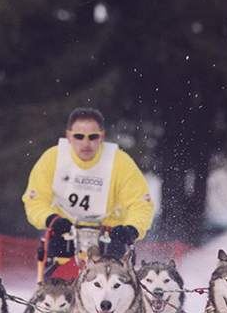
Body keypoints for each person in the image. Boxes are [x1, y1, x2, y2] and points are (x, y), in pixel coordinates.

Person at [23, 107, 154, 279]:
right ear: (68, 136)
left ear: (102, 136)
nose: (86, 144)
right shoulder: (52, 158)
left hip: (109, 237)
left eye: (93, 137)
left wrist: (132, 228)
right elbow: (35, 199)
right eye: (79, 136)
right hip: (65, 233)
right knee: (54, 293)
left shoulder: (120, 162)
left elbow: (141, 203)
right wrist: (50, 219)